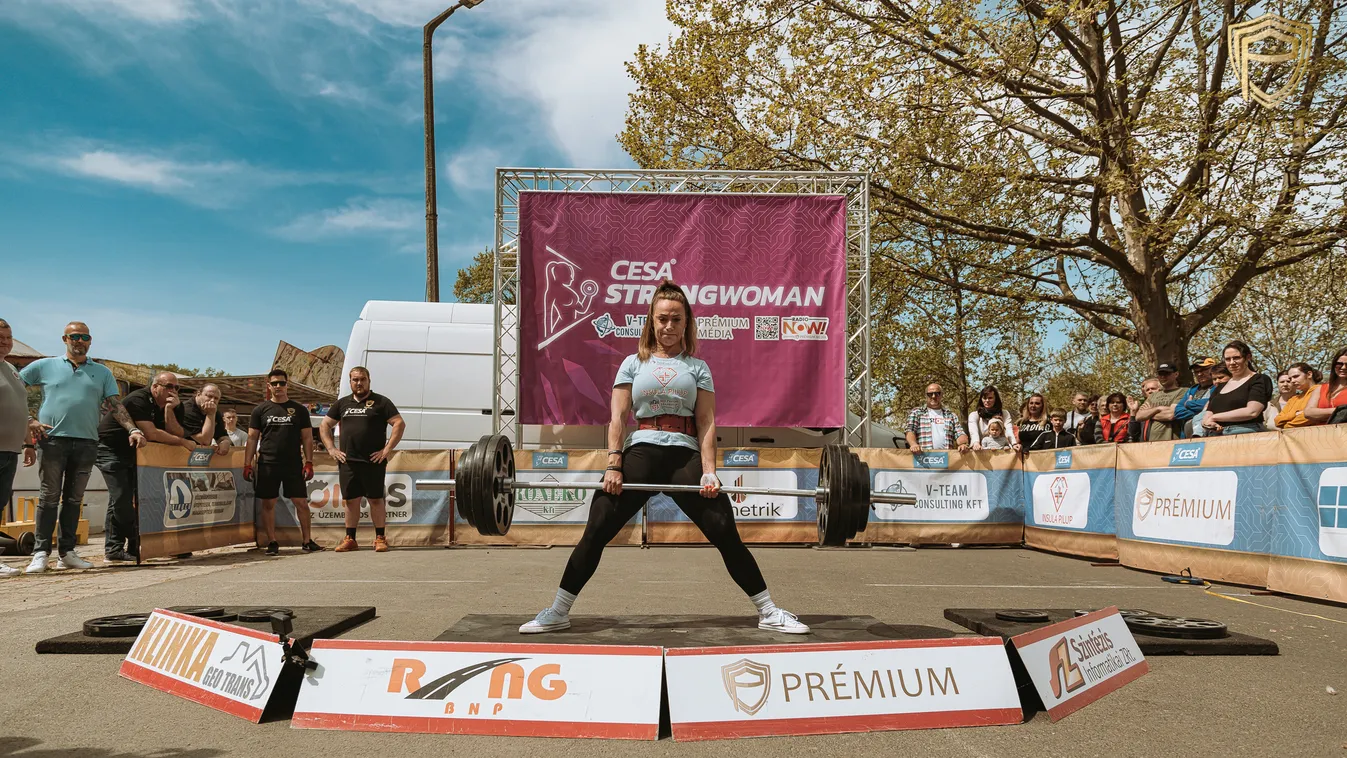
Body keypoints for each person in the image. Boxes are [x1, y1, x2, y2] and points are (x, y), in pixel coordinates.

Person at [520, 281, 808, 635]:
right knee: (596, 528)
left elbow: (705, 421)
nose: (669, 326)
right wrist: (614, 464)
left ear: (686, 323)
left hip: (683, 454)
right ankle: (558, 611)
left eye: (676, 320)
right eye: (662, 319)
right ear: (651, 322)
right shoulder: (631, 364)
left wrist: (709, 472)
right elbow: (617, 419)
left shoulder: (698, 368)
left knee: (723, 529)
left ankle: (768, 611)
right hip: (641, 450)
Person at [20, 321, 145, 573]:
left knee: (74, 499)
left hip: (88, 442)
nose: (80, 340)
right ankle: (41, 552)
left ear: (90, 341)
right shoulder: (44, 366)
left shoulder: (102, 372)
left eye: (84, 337)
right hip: (52, 439)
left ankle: (67, 552)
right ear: (64, 339)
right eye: (74, 336)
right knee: (49, 497)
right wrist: (28, 419)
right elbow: (14, 389)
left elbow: (115, 405)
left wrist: (132, 428)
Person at [95, 372, 201, 562]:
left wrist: (169, 409)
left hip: (137, 453)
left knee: (132, 499)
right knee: (121, 499)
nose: (173, 391)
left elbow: (174, 431)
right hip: (111, 448)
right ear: (155, 387)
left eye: (177, 388)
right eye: (169, 386)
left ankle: (120, 550)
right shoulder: (139, 399)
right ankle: (136, 539)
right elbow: (151, 433)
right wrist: (182, 442)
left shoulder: (175, 405)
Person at [321, 366, 405, 553]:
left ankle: (380, 538)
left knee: (376, 499)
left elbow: (399, 423)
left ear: (369, 380)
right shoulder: (342, 404)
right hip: (348, 461)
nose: (359, 383)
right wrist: (331, 449)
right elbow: (325, 424)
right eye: (355, 380)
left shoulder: (381, 402)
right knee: (351, 501)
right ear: (350, 382)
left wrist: (386, 450)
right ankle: (350, 538)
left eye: (362, 379)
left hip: (373, 461)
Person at [245, 368, 321, 555]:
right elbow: (252, 438)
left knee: (301, 502)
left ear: (287, 385)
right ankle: (272, 541)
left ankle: (307, 540)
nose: (278, 386)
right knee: (268, 504)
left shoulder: (300, 410)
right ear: (269, 386)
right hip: (267, 463)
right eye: (275, 383)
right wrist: (247, 463)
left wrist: (309, 462)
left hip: (293, 463)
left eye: (282, 383)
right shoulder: (259, 410)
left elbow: (308, 438)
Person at [0, 319, 36, 577]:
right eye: (0, 338)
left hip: (10, 449)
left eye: (8, 338)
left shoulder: (11, 369)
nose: (5, 342)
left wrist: (28, 442)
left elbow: (21, 411)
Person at [1201, 341, 1272, 436]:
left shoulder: (1259, 379)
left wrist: (1215, 417)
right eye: (1227, 359)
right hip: (1215, 436)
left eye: (1236, 358)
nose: (1232, 363)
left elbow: (1252, 412)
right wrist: (1207, 423)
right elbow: (1207, 415)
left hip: (1246, 432)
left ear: (1248, 357)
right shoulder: (1220, 387)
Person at [905, 383, 970, 453]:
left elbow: (959, 432)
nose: (933, 396)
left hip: (946, 459)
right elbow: (910, 430)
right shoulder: (916, 412)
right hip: (923, 458)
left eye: (937, 393)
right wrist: (913, 444)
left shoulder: (951, 415)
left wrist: (963, 444)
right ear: (926, 396)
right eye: (930, 394)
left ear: (941, 395)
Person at [1133, 364, 1188, 442]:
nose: (1163, 377)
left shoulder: (1184, 391)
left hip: (1174, 440)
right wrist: (1158, 409)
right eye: (1160, 374)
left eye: (1167, 373)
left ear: (1176, 374)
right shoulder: (1153, 396)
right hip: (1152, 442)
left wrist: (1149, 414)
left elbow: (1170, 415)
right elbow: (1138, 416)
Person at [1173, 357, 1218, 438]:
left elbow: (1215, 404)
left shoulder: (1218, 386)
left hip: (1211, 436)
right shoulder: (1191, 390)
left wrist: (1189, 404)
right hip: (1187, 438)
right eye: (1196, 371)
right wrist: (1202, 411)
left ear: (1213, 369)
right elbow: (1177, 412)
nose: (1200, 374)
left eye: (1204, 370)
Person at [180, 384, 231, 454]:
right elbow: (204, 441)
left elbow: (222, 435)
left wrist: (225, 442)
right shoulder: (185, 410)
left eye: (216, 398)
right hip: (178, 455)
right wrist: (210, 415)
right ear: (198, 394)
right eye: (209, 396)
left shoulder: (214, 411)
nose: (212, 401)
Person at [966, 386, 1018, 451]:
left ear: (996, 399)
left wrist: (1014, 444)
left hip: (1002, 451)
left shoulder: (1005, 413)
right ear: (981, 399)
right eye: (984, 398)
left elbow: (1009, 430)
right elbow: (973, 432)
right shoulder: (974, 415)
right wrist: (976, 443)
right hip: (981, 451)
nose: (987, 401)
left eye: (990, 398)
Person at [1303, 347, 1347, 424]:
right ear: (1334, 365)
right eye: (1339, 364)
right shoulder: (1320, 389)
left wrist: (1319, 414)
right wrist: (1339, 411)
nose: (1343, 367)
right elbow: (1308, 412)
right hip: (1323, 434)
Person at [1275, 363, 1322, 429]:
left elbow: (1309, 418)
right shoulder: (1293, 399)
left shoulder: (1322, 391)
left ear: (1309, 374)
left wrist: (1286, 425)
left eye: (1296, 376)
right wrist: (1295, 414)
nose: (1293, 381)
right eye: (1290, 378)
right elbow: (1277, 420)